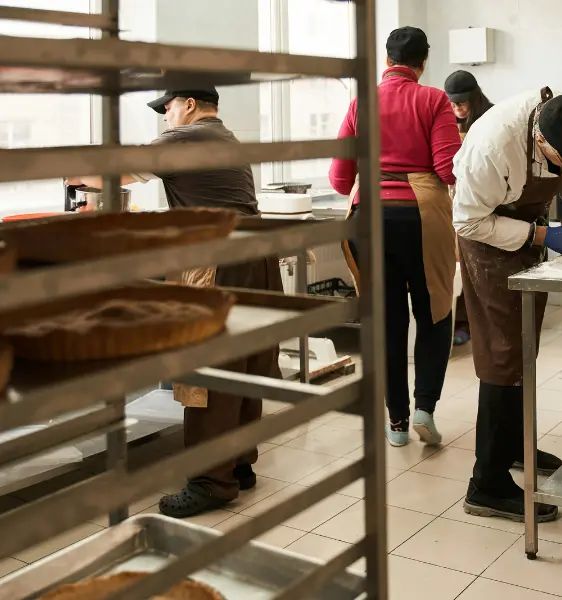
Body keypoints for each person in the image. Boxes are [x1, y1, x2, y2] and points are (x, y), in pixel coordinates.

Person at [67, 87, 283, 518]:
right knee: (243, 366)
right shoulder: (225, 138)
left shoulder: (188, 137)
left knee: (211, 374)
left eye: (166, 108)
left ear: (186, 103)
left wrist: (73, 176)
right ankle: (238, 465)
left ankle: (209, 482)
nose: (165, 117)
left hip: (220, 262)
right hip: (255, 260)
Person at [453, 88, 562, 523]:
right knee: (502, 356)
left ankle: (513, 446)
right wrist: (543, 236)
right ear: (542, 142)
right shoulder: (492, 145)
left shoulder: (561, 118)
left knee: (523, 348)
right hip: (486, 244)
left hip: (524, 238)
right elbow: (468, 220)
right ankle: (486, 485)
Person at [330, 27, 461, 447]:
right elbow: (448, 170)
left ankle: (397, 423)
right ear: (423, 64)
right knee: (436, 312)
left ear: (387, 61)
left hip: (369, 220)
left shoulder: (360, 103)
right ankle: (425, 408)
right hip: (422, 220)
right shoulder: (434, 99)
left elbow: (338, 179)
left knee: (387, 320)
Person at [443, 70, 494, 346]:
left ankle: (474, 322)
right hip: (453, 199)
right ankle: (458, 320)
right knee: (456, 264)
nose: (457, 109)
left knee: (476, 263)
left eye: (462, 103)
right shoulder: (446, 120)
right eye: (452, 104)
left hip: (483, 199)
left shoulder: (491, 119)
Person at [444, 70, 494, 137]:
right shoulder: (445, 118)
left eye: (461, 102)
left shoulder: (492, 117)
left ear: (475, 98)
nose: (457, 108)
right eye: (452, 103)